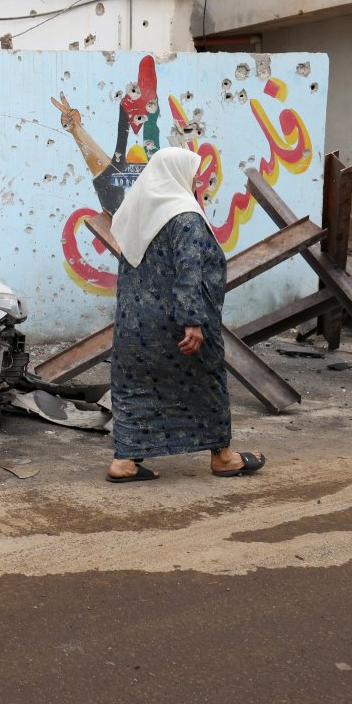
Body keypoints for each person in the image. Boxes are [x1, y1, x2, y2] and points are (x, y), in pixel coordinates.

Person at [104, 147, 266, 483]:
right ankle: (223, 457)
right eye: (192, 171)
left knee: (136, 388)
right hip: (178, 323)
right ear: (177, 173)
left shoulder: (136, 213)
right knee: (206, 383)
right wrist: (192, 321)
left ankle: (124, 462)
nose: (196, 178)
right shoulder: (186, 217)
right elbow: (189, 272)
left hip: (134, 325)